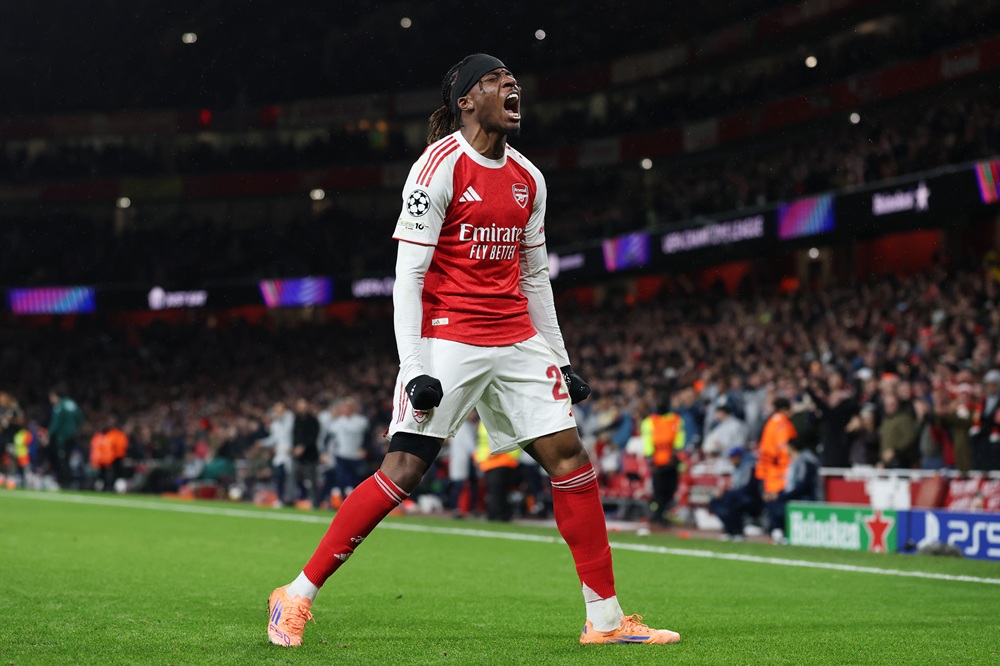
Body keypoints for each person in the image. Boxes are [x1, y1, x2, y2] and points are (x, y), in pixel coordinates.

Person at [267, 53, 679, 648]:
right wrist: (414, 368)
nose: (512, 85)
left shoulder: (529, 178)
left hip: (516, 336)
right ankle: (295, 594)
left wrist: (561, 358)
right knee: (403, 470)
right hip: (449, 334)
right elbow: (408, 276)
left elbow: (534, 276)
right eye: (496, 80)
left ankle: (606, 621)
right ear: (466, 99)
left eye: (514, 80)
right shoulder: (437, 166)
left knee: (571, 459)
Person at [765, 437, 822, 544]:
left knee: (777, 502)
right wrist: (777, 494)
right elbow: (791, 486)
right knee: (772, 500)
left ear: (791, 448)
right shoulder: (795, 461)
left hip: (806, 498)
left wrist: (782, 496)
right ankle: (777, 532)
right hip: (795, 495)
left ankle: (781, 534)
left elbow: (803, 487)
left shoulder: (806, 462)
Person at [755, 397, 796, 540]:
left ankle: (775, 530)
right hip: (780, 469)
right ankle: (781, 531)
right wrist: (795, 459)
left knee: (771, 500)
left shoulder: (770, 422)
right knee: (780, 501)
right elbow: (783, 446)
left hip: (769, 469)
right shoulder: (782, 424)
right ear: (785, 409)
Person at [709, 446, 761, 541]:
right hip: (738, 495)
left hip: (751, 497)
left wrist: (727, 492)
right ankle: (729, 529)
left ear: (738, 456)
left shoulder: (748, 466)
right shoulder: (737, 468)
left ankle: (737, 531)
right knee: (715, 501)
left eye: (732, 457)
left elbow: (747, 487)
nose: (731, 460)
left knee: (730, 499)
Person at [45, 387, 84, 488]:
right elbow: (80, 417)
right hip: (73, 436)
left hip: (62, 437)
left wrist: (48, 435)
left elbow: (55, 423)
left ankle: (64, 482)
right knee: (68, 459)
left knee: (62, 460)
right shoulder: (71, 403)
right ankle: (70, 481)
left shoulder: (60, 405)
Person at [292, 399, 322, 507]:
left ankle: (315, 503)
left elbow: (313, 437)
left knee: (311, 481)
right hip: (298, 456)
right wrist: (295, 448)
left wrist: (302, 447)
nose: (301, 408)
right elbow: (295, 435)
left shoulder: (313, 421)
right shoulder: (296, 420)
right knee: (294, 478)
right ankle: (294, 500)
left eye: (303, 405)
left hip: (310, 455)